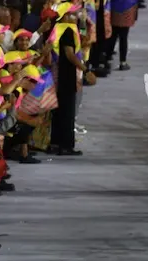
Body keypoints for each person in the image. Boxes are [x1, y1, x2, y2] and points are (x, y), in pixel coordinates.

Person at [49, 2, 87, 156]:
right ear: (65, 16)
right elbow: (70, 55)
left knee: (58, 111)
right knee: (68, 110)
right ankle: (66, 146)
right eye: (72, 13)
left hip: (57, 73)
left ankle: (55, 143)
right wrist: (86, 70)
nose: (76, 16)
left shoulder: (57, 29)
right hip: (67, 75)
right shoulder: (68, 31)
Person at [107, 0, 138, 71]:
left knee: (113, 34)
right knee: (123, 36)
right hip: (128, 6)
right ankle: (123, 62)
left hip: (114, 6)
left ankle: (107, 58)